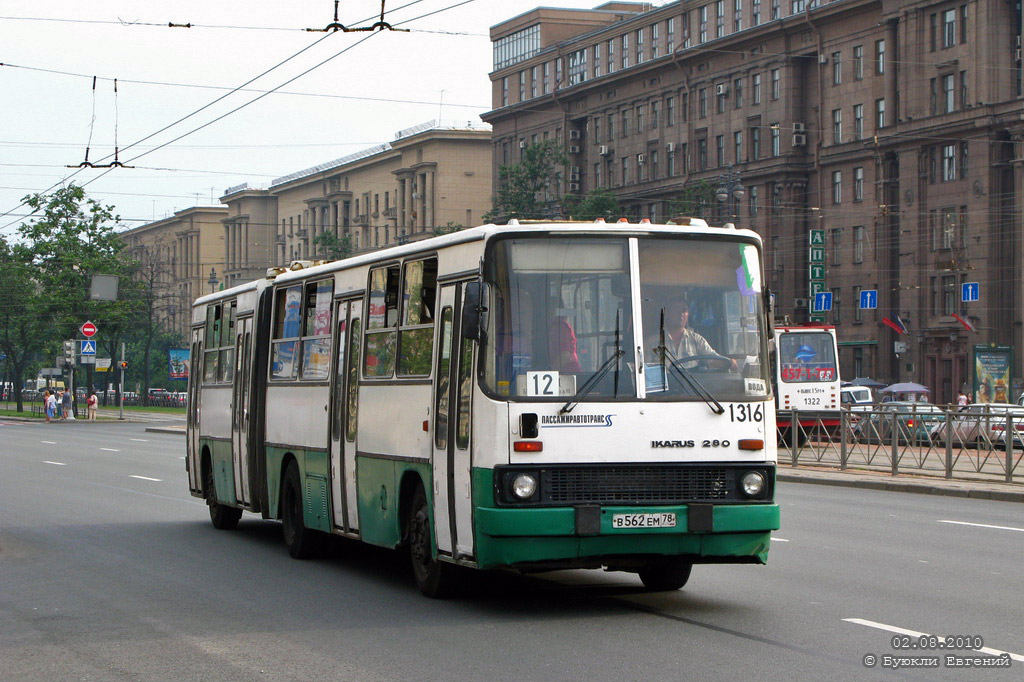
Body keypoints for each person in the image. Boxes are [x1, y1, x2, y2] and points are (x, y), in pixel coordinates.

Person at [647, 299, 737, 371]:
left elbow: (713, 359)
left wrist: (730, 362)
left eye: (684, 310)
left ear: (688, 315)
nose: (681, 314)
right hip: (665, 393)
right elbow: (645, 371)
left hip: (692, 392)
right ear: (667, 314)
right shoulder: (652, 342)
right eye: (676, 310)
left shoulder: (696, 340)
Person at [547, 298, 582, 372]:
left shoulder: (560, 327)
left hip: (568, 375)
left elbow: (565, 355)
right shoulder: (554, 327)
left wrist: (551, 373)